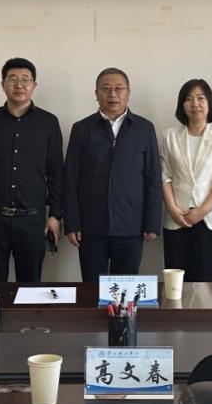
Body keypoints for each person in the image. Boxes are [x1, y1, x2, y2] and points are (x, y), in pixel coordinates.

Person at [0, 57, 64, 282]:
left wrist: (55, 214)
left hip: (32, 218)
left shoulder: (48, 122)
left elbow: (56, 172)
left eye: (25, 80)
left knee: (30, 286)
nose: (19, 85)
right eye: (12, 79)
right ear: (3, 85)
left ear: (34, 85)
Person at [63, 68, 162, 281]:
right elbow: (70, 179)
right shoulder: (81, 129)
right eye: (106, 88)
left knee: (125, 289)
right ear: (96, 93)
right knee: (92, 288)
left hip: (131, 226)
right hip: (90, 227)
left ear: (128, 92)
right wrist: (72, 223)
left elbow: (153, 178)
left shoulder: (144, 128)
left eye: (119, 88)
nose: (113, 94)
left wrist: (152, 222)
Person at [160, 79, 212, 282]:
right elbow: (164, 175)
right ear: (182, 104)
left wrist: (200, 212)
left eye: (201, 98)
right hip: (178, 218)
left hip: (211, 218)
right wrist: (172, 209)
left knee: (209, 283)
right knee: (177, 283)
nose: (195, 104)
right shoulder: (169, 136)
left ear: (209, 102)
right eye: (189, 99)